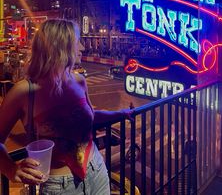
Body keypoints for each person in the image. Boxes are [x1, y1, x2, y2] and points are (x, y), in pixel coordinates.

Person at [0, 19, 133, 194]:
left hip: (96, 170)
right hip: (58, 186)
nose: (83, 48)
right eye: (77, 42)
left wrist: (121, 114)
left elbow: (90, 116)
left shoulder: (79, 81)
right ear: (61, 47)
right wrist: (11, 169)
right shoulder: (24, 91)